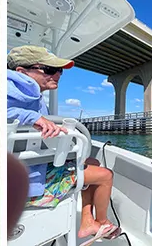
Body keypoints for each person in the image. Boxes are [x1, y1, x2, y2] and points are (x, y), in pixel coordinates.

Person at [6, 45, 119, 241]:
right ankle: (102, 223)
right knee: (106, 176)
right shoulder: (13, 91)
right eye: (49, 70)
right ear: (22, 72)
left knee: (93, 163)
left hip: (32, 168)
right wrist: (30, 116)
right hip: (25, 184)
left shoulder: (31, 97)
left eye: (59, 70)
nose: (58, 74)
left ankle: (87, 222)